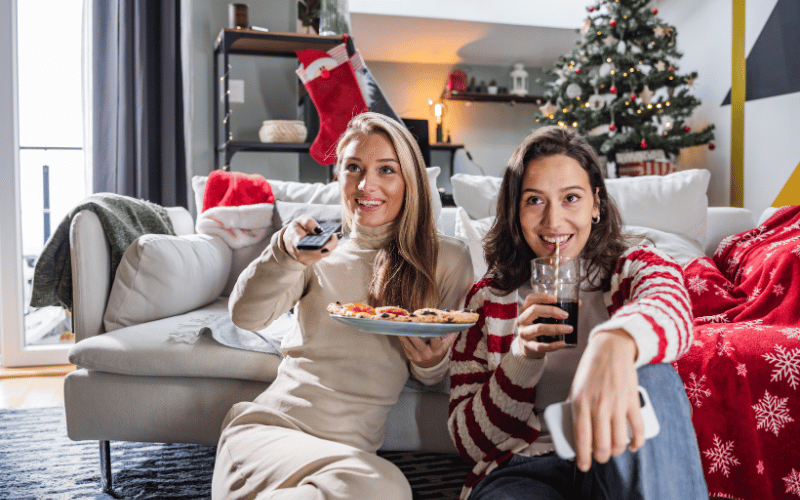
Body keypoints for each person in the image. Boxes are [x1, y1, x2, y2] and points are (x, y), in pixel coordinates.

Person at [212, 112, 474, 500]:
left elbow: (440, 370)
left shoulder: (446, 259)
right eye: (354, 167)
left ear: (410, 181)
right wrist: (284, 253)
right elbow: (245, 316)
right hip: (267, 434)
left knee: (379, 487)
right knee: (387, 487)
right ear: (339, 176)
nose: (366, 185)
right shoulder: (317, 252)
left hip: (345, 460)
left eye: (386, 170)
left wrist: (430, 360)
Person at [448, 126, 707, 500]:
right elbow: (467, 445)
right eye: (535, 201)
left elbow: (674, 310)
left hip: (617, 452)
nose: (554, 222)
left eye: (571, 197)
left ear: (596, 204)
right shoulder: (488, 299)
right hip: (524, 468)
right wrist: (521, 357)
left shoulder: (634, 269)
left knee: (653, 373)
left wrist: (613, 342)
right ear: (515, 211)